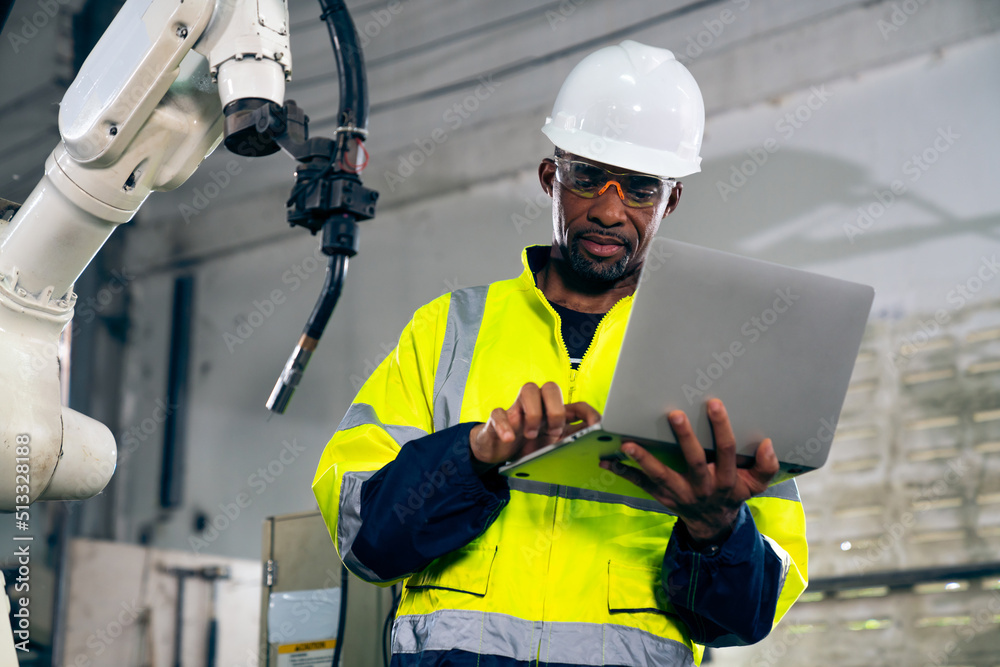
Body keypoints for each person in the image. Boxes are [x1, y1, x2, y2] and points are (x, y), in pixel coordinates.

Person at [313, 40, 808, 667]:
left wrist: (717, 532)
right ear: (551, 178)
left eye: (639, 188)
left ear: (670, 201)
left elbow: (744, 617)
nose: (607, 208)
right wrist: (472, 458)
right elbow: (365, 539)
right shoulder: (449, 329)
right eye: (585, 178)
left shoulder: (719, 356)